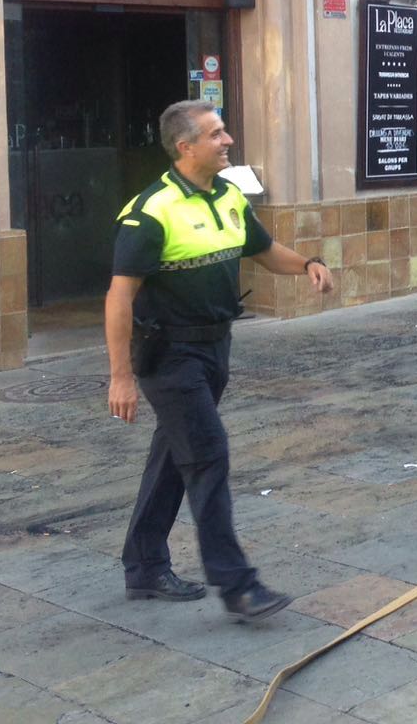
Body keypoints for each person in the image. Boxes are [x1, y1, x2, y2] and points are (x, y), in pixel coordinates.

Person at [107, 100, 333, 621]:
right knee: (207, 456)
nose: (228, 140)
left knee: (175, 453)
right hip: (169, 355)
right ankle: (238, 585)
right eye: (216, 134)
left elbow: (263, 249)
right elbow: (119, 298)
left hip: (215, 347)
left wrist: (308, 264)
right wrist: (120, 377)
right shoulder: (151, 211)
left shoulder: (229, 196)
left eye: (224, 131)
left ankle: (143, 563)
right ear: (185, 147)